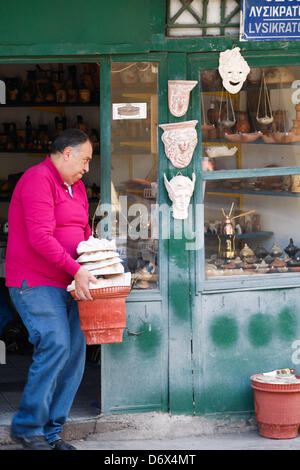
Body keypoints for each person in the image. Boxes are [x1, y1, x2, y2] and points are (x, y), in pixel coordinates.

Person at [5, 128, 97, 450]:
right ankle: (28, 428)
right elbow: (40, 238)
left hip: (70, 282)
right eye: (85, 159)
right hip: (36, 282)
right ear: (67, 153)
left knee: (74, 353)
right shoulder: (38, 179)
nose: (88, 167)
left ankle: (51, 433)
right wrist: (77, 269)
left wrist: (96, 259)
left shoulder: (79, 187)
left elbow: (84, 231)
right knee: (56, 344)